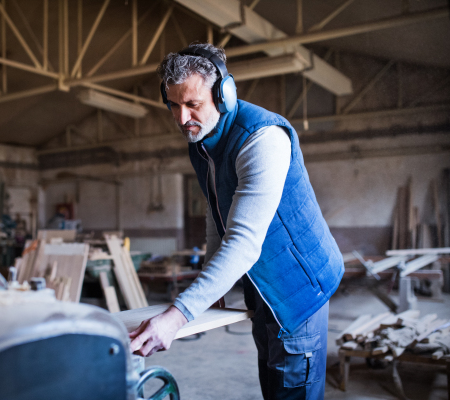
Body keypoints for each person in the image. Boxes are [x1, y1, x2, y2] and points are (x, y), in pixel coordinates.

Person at [129, 42, 344, 399]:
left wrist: (179, 314)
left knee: (292, 384)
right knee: (273, 383)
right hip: (261, 286)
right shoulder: (201, 141)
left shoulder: (262, 140)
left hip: (297, 287)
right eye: (174, 105)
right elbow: (218, 216)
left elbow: (243, 242)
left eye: (193, 104)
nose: (183, 119)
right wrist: (211, 288)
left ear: (224, 94)